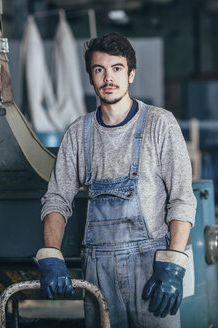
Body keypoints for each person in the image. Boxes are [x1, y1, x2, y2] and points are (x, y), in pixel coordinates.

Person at [34, 32, 196, 327]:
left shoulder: (160, 124)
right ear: (90, 77)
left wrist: (173, 265)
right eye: (99, 70)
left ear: (131, 74)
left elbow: (182, 199)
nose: (108, 78)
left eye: (117, 68)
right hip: (99, 271)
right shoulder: (78, 133)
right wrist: (52, 255)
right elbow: (57, 198)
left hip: (152, 270)